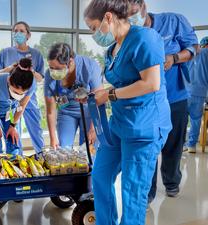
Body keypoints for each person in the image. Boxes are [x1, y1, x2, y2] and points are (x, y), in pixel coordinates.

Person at [84, 0, 172, 224]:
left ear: (109, 18)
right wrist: (100, 94)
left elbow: (151, 83)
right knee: (101, 176)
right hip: (120, 124)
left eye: (94, 28)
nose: (94, 34)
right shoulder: (112, 48)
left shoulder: (145, 38)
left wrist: (110, 95)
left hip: (144, 126)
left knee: (132, 192)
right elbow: (121, 82)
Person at [128, 0, 199, 201]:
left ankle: (171, 182)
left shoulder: (173, 21)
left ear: (143, 7)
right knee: (148, 147)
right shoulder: (130, 34)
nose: (131, 18)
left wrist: (174, 58)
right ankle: (148, 192)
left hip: (176, 96)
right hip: (147, 101)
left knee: (173, 145)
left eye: (134, 12)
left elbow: (194, 48)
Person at [0, 21, 45, 153]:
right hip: (10, 100)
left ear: (28, 35)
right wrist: (11, 68)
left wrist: (30, 70)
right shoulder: (5, 53)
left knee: (36, 130)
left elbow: (40, 78)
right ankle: (19, 160)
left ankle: (41, 156)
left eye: (22, 31)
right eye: (15, 31)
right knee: (14, 132)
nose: (18, 33)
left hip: (29, 98)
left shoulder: (36, 54)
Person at [44, 43, 103, 149]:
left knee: (88, 150)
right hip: (66, 111)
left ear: (70, 62)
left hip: (89, 111)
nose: (54, 72)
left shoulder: (89, 66)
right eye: (51, 67)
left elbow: (99, 98)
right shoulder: (49, 75)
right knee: (64, 149)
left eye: (58, 68)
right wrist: (53, 138)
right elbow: (50, 110)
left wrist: (94, 129)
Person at [0, 58, 37, 155]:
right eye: (15, 91)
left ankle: (13, 166)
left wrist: (13, 126)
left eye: (21, 93)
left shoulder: (31, 85)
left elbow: (21, 106)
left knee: (13, 141)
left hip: (10, 111)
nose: (18, 95)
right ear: (9, 80)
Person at [185, 37, 208, 153]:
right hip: (200, 92)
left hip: (185, 91)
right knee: (196, 119)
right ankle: (191, 145)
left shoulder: (189, 53)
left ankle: (181, 144)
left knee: (183, 119)